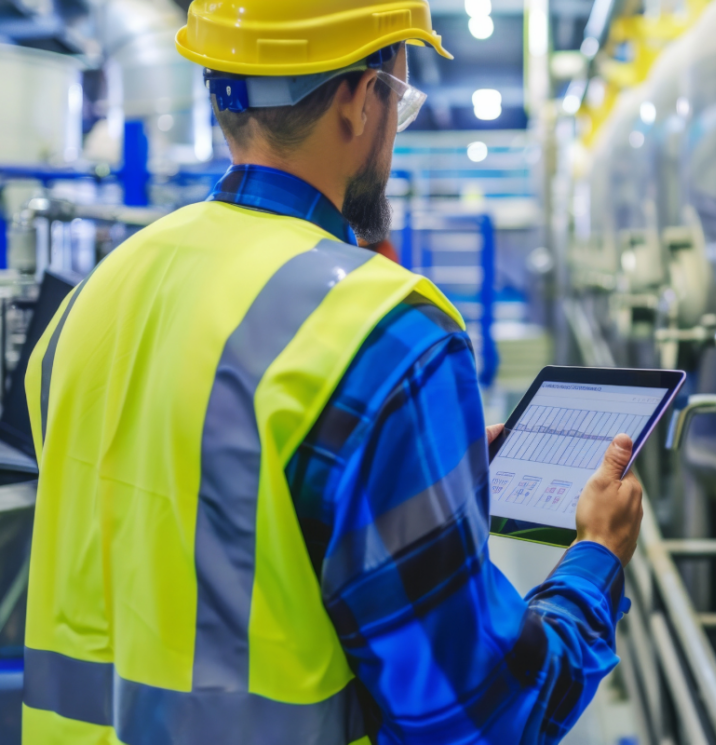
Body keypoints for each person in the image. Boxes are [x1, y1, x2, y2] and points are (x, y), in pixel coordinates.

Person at [19, 1, 643, 743]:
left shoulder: (93, 295)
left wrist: (390, 467)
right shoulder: (386, 336)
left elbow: (188, 514)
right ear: (359, 98)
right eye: (401, 102)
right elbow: (482, 714)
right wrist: (595, 559)